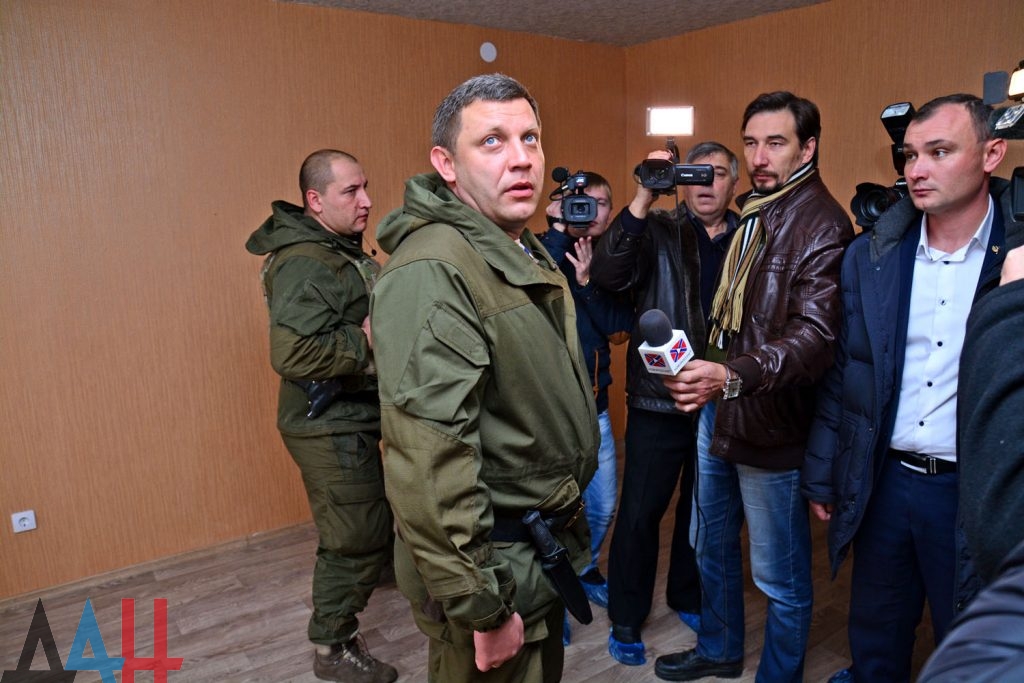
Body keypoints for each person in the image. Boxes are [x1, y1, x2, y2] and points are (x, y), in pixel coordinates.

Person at [369, 73, 599, 683]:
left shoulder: (514, 245)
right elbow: (429, 463)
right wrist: (483, 607)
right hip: (496, 572)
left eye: (531, 138)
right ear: (446, 164)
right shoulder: (434, 270)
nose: (522, 158)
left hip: (531, 559)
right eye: (492, 141)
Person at [800, 93, 1015, 683]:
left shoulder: (1017, 260)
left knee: (970, 644)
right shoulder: (872, 257)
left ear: (991, 154)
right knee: (876, 633)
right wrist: (823, 472)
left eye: (939, 152)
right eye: (910, 154)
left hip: (974, 491)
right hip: (885, 483)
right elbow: (846, 371)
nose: (917, 169)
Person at [655, 92, 854, 682]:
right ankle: (719, 649)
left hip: (770, 422)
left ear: (807, 148)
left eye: (776, 143)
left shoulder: (822, 223)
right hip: (721, 409)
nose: (760, 157)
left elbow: (815, 339)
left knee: (778, 575)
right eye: (751, 143)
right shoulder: (757, 211)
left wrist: (732, 375)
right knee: (709, 543)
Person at [245, 149, 397, 683]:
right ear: (315, 200)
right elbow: (291, 354)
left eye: (365, 187)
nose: (367, 200)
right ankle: (332, 648)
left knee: (369, 516)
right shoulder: (307, 261)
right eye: (351, 191)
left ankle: (377, 566)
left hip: (351, 414)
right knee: (353, 535)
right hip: (329, 422)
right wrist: (364, 340)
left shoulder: (335, 248)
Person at [589, 141, 740, 666]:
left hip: (721, 398)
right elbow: (607, 274)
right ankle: (627, 616)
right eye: (696, 173)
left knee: (705, 510)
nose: (707, 183)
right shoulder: (656, 228)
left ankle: (687, 594)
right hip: (659, 399)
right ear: (681, 180)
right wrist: (643, 196)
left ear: (734, 182)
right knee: (639, 513)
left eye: (718, 173)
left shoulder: (749, 237)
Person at [537, 173, 633, 643]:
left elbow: (619, 328)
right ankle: (550, 597)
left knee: (602, 505)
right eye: (581, 202)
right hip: (548, 415)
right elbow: (532, 299)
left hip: (594, 408)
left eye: (600, 204)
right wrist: (558, 234)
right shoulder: (539, 250)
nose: (590, 212)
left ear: (611, 212)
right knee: (550, 511)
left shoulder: (614, 261)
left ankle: (583, 568)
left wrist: (589, 280)